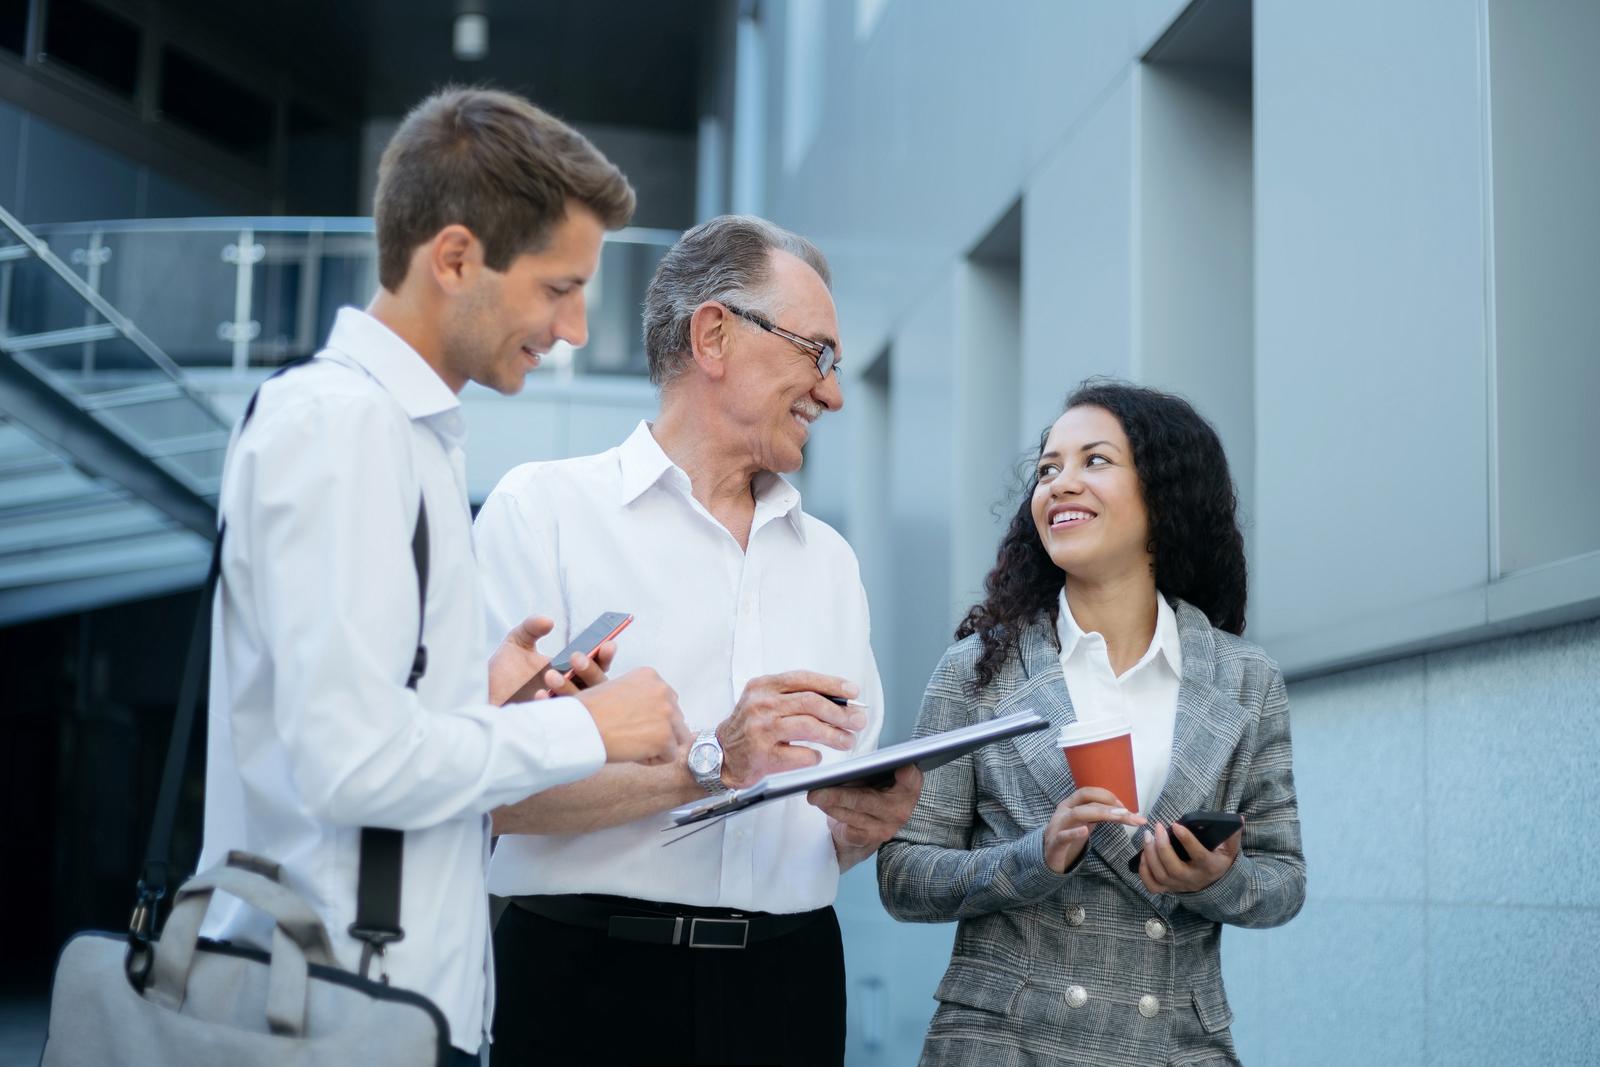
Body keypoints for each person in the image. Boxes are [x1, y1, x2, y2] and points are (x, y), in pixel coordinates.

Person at [196, 87, 691, 1067]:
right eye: (559, 287)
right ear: (457, 258)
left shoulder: (400, 435)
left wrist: (483, 697)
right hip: (332, 1014)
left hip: (369, 1005)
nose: (578, 329)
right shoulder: (342, 429)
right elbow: (351, 765)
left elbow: (356, 725)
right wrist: (586, 726)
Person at [472, 214, 923, 1067]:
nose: (832, 392)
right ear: (714, 333)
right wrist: (714, 756)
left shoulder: (831, 562)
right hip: (586, 981)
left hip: (790, 985)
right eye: (817, 354)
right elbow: (487, 792)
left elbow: (828, 826)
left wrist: (867, 825)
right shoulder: (545, 512)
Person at [877, 381, 1305, 1066]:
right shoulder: (977, 670)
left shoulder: (1246, 678)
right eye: (1048, 469)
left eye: (1094, 461)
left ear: (1164, 492)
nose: (1059, 484)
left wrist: (1214, 879)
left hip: (1173, 1044)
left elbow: (1283, 880)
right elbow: (902, 874)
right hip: (1004, 1044)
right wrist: (1035, 856)